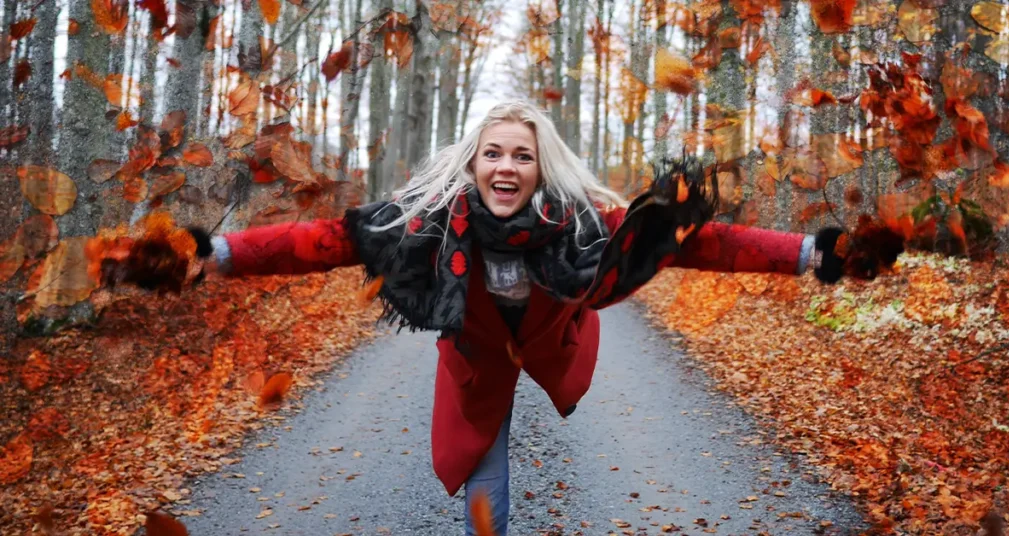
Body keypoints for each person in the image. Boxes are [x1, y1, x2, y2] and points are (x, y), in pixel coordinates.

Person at [174, 101, 899, 535]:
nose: (506, 167)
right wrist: (224, 252)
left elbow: (702, 241)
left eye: (521, 155)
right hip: (477, 357)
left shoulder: (585, 224)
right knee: (481, 462)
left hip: (557, 348)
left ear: (538, 168)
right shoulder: (429, 223)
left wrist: (812, 252)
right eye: (493, 153)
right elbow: (322, 240)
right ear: (473, 163)